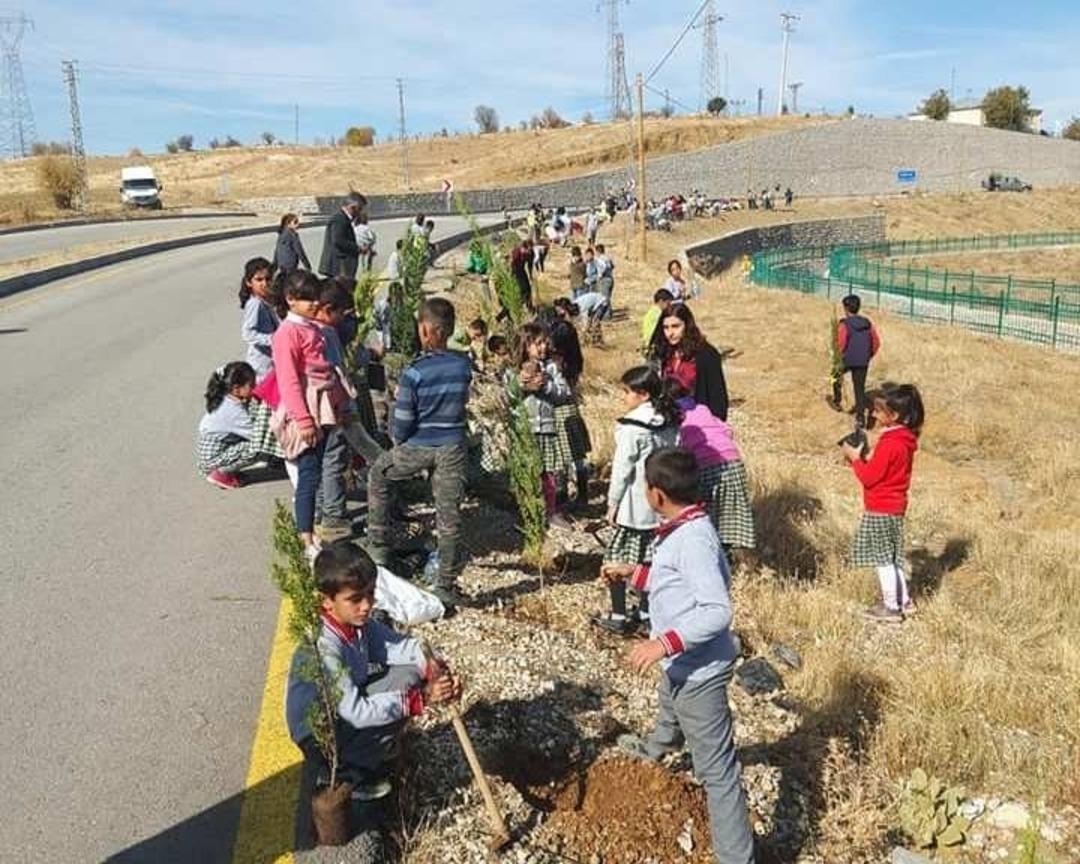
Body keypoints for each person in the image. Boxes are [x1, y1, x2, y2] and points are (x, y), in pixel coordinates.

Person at [605, 447, 755, 864]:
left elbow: (716, 610)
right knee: (669, 707)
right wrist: (633, 574)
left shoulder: (693, 540)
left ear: (656, 495)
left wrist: (662, 643)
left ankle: (736, 857)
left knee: (718, 774)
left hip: (700, 671)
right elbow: (675, 581)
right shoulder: (682, 526)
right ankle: (657, 749)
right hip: (683, 667)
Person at [286, 541, 461, 800]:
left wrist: (434, 667)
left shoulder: (357, 624)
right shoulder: (324, 646)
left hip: (343, 712)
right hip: (319, 733)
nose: (366, 605)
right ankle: (347, 775)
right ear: (327, 602)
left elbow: (402, 647)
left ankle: (366, 752)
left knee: (410, 673)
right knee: (406, 692)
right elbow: (356, 712)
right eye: (355, 599)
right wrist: (422, 698)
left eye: (370, 594)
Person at [367, 299, 472, 608]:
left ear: (426, 330)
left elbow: (402, 422)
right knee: (449, 515)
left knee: (379, 475)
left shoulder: (414, 373)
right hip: (453, 446)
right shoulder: (462, 365)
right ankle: (445, 584)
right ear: (449, 330)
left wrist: (398, 441)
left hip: (419, 445)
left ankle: (378, 550)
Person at [593, 367, 680, 636]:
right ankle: (645, 612)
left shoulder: (633, 427)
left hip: (635, 506)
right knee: (649, 560)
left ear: (643, 394)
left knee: (617, 559)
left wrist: (612, 502)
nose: (623, 396)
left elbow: (622, 469)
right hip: (662, 504)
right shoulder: (669, 419)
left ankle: (619, 614)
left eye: (627, 391)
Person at [271, 271, 349, 561]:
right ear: (290, 300)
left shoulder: (312, 327)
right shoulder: (287, 334)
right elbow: (289, 381)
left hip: (325, 405)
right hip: (307, 409)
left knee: (319, 470)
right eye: (308, 299)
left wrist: (339, 404)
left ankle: (312, 528)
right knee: (308, 474)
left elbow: (327, 369)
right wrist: (303, 420)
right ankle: (305, 535)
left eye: (316, 297)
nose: (315, 303)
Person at [841, 383, 924, 623]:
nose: (874, 414)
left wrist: (855, 459)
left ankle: (890, 607)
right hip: (895, 507)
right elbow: (886, 471)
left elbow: (869, 478)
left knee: (883, 560)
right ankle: (904, 601)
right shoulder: (904, 440)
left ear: (894, 416)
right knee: (893, 557)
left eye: (878, 411)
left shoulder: (889, 443)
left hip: (880, 508)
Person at [674, 385, 755, 555]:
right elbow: (727, 429)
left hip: (706, 465)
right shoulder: (702, 408)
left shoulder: (675, 416)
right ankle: (725, 550)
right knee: (728, 512)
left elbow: (677, 445)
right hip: (733, 461)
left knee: (703, 512)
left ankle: (708, 553)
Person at [518, 322, 573, 529]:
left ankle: (550, 511)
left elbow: (563, 394)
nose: (542, 347)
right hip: (525, 430)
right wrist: (521, 385)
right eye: (536, 343)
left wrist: (546, 385)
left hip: (547, 429)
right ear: (524, 346)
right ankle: (530, 511)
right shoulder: (515, 370)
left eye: (544, 343)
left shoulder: (552, 368)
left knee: (548, 473)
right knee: (528, 472)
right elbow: (508, 396)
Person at [195, 361, 282, 489]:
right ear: (236, 389)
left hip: (212, 452)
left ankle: (228, 470)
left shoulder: (226, 399)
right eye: (251, 385)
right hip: (211, 459)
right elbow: (256, 435)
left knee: (254, 443)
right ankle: (221, 473)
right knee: (257, 447)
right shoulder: (233, 411)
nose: (255, 388)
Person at [650, 303, 729, 422]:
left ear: (687, 325)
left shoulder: (706, 355)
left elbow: (717, 398)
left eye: (675, 326)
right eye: (666, 327)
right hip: (670, 423)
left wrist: (714, 429)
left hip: (699, 424)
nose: (670, 333)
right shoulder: (665, 352)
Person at [551, 300, 591, 509]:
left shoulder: (557, 366)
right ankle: (582, 493)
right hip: (572, 410)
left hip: (560, 411)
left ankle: (563, 494)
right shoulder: (573, 362)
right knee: (577, 454)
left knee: (563, 455)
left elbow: (559, 390)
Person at [830, 293, 881, 428]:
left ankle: (837, 400)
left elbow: (840, 344)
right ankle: (860, 418)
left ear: (846, 309)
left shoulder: (844, 324)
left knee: (834, 376)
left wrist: (837, 358)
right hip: (863, 360)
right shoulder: (867, 323)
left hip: (847, 359)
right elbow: (876, 342)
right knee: (859, 389)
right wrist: (868, 355)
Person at [239, 257, 279, 382]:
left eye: (268, 279)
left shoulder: (267, 300)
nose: (264, 284)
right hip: (261, 365)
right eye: (259, 280)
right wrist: (273, 339)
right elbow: (248, 333)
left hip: (271, 361)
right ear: (249, 282)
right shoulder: (255, 304)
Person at [319, 192, 365, 279]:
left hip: (340, 267)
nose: (360, 212)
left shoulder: (343, 218)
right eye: (360, 209)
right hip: (339, 266)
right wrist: (357, 248)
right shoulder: (339, 219)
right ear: (353, 207)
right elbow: (338, 240)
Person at [641, 289, 674, 353]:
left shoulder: (651, 311)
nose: (670, 306)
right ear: (661, 301)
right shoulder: (658, 314)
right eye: (668, 303)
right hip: (654, 348)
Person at [509, 238, 534, 312]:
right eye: (527, 248)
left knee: (528, 289)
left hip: (522, 270)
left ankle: (529, 307)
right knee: (521, 290)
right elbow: (512, 263)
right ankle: (518, 307)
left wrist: (530, 275)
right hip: (515, 270)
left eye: (531, 248)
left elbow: (530, 265)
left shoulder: (531, 252)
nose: (529, 250)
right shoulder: (517, 251)